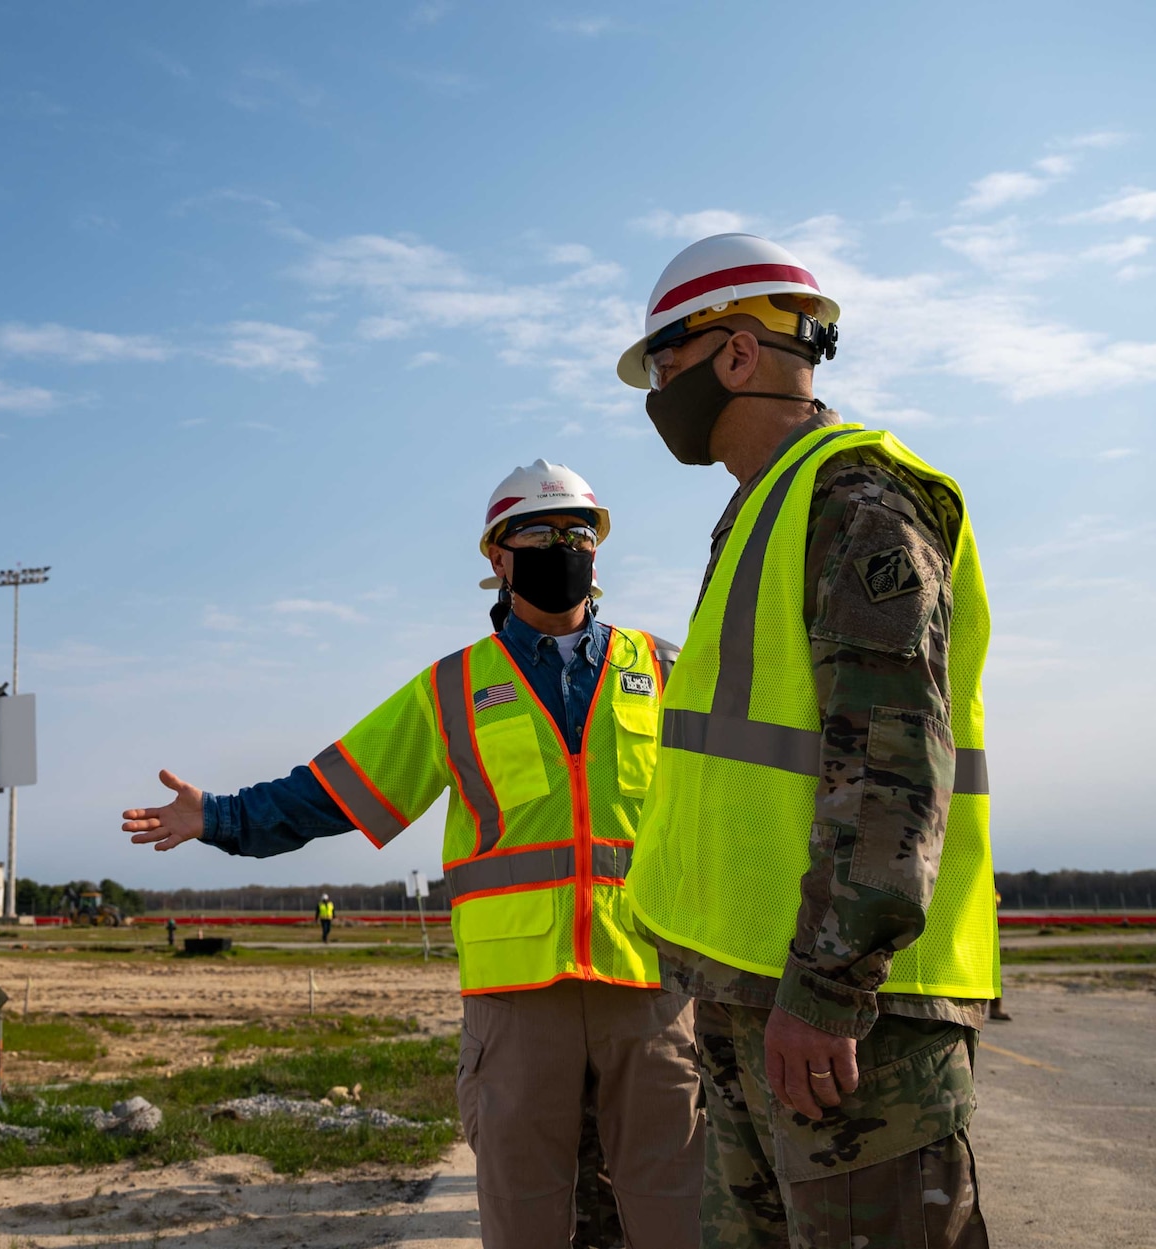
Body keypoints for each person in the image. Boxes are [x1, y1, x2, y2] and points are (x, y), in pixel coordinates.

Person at [123, 461, 703, 1249]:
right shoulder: (453, 688)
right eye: (541, 534)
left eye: (578, 534)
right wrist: (219, 816)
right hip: (517, 999)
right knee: (524, 1216)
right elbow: (334, 789)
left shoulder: (666, 669)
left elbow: (737, 803)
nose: (563, 548)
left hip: (651, 987)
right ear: (497, 557)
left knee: (681, 1215)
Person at [616, 233, 997, 1248]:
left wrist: (824, 991)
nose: (656, 394)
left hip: (845, 1021)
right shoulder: (764, 510)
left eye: (663, 365)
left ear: (735, 353)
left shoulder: (854, 503)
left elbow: (888, 766)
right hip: (754, 999)